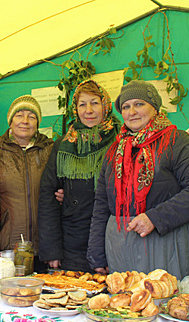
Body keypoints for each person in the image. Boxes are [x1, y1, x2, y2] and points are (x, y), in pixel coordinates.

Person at [87, 80, 189, 280]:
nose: (132, 112)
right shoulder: (114, 151)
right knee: (129, 305)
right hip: (122, 247)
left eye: (139, 104)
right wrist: (97, 254)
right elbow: (102, 204)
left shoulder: (176, 141)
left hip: (168, 243)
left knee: (169, 302)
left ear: (154, 108)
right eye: (126, 107)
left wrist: (155, 218)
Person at [38, 80, 121, 272]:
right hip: (73, 242)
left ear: (106, 105)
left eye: (94, 102)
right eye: (82, 104)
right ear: (75, 109)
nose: (88, 110)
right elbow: (48, 196)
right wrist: (52, 250)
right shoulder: (63, 144)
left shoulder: (121, 141)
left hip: (113, 238)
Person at [0, 95, 54, 272]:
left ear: (37, 123)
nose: (25, 121)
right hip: (8, 245)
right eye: (19, 115)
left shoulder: (50, 150)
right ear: (10, 120)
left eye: (31, 116)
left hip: (44, 245)